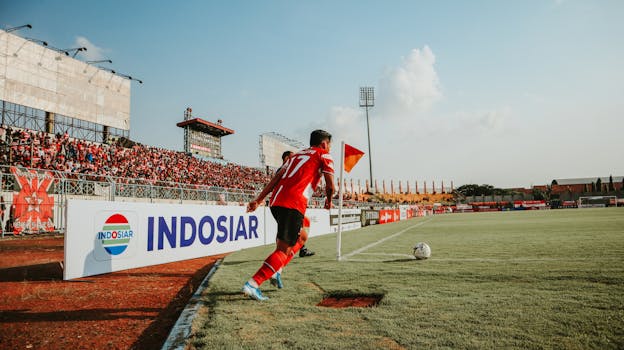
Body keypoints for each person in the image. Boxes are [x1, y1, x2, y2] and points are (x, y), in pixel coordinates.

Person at [243, 130, 335, 301]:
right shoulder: (324, 155)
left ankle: (277, 269)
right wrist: (329, 200)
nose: (329, 148)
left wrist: (258, 200)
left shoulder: (295, 156)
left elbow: (276, 178)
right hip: (293, 204)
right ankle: (253, 284)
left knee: (303, 234)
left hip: (277, 202)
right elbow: (330, 186)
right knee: (283, 250)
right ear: (324, 144)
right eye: (329, 145)